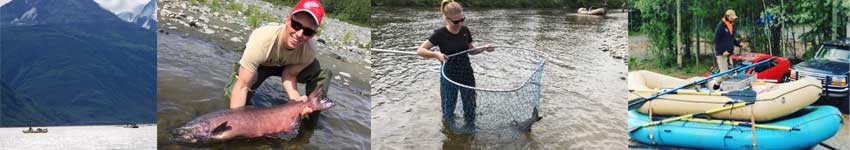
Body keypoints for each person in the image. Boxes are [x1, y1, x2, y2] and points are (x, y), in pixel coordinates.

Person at [224, 0, 331, 115]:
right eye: (296, 25)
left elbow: (289, 74)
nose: (299, 34)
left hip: (286, 66)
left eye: (308, 31)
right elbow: (242, 86)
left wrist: (295, 99)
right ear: (287, 20)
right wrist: (237, 120)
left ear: (313, 35)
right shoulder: (262, 40)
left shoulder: (309, 51)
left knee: (323, 71)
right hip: (261, 65)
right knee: (233, 100)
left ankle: (307, 122)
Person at [416, 0, 494, 131]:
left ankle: (470, 129)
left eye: (462, 19)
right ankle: (449, 131)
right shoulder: (439, 34)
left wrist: (484, 48)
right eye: (456, 21)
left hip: (466, 74)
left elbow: (471, 51)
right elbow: (420, 50)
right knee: (449, 107)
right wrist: (436, 55)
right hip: (449, 76)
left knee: (470, 104)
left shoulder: (465, 30)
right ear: (446, 19)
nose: (460, 23)